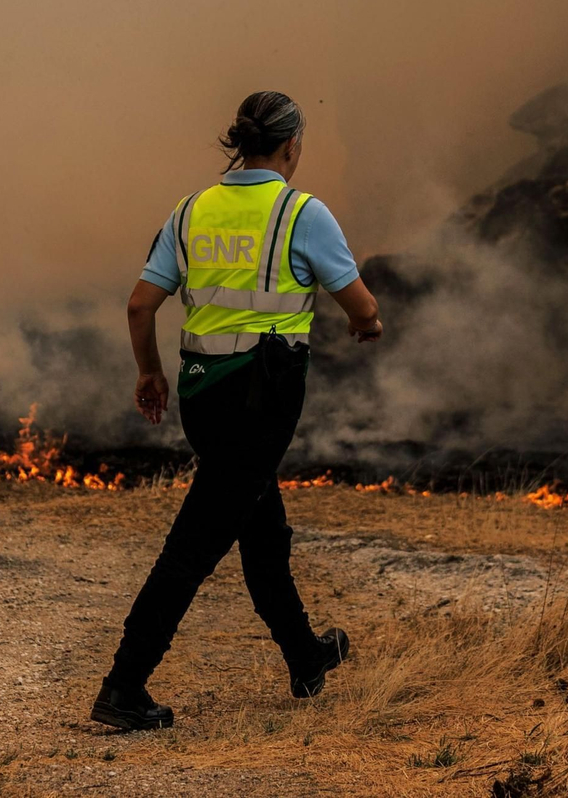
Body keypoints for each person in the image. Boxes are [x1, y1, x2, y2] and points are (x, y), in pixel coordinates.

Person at [91, 90, 383, 731]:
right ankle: (123, 685)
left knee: (262, 528)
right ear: (291, 145)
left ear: (241, 142)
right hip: (262, 400)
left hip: (201, 394)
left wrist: (149, 372)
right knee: (195, 544)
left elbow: (140, 305)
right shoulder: (302, 212)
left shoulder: (190, 210)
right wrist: (368, 325)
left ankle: (305, 657)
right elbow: (361, 307)